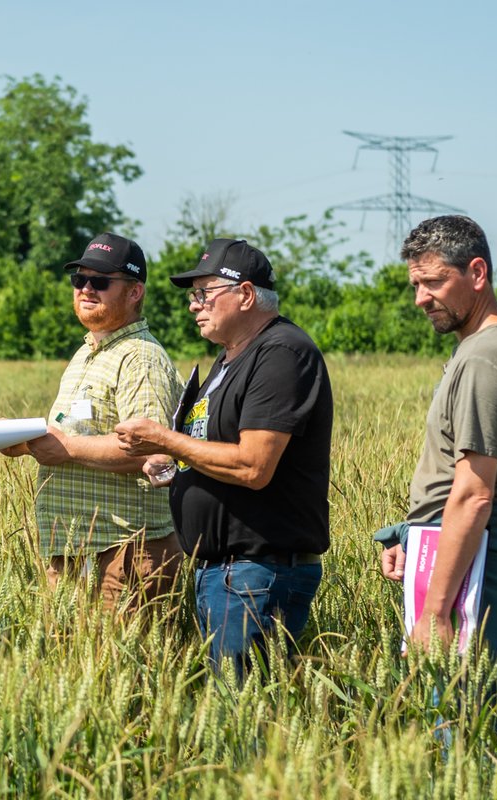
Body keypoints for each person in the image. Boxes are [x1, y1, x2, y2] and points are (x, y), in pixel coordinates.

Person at [115, 238, 333, 674]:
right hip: (227, 573)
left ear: (246, 295)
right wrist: (177, 466)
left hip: (257, 572)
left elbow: (253, 466)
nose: (194, 306)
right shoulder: (231, 357)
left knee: (245, 715)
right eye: (192, 296)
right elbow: (216, 446)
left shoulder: (281, 354)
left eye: (203, 294)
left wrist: (164, 439)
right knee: (232, 711)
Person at [373, 215, 497, 697]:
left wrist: (436, 612)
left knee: (469, 736)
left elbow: (475, 495)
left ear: (477, 273)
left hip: (480, 573)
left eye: (435, 281)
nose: (421, 298)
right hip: (470, 558)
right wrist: (413, 536)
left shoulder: (485, 358)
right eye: (416, 284)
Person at [0, 232, 184, 611]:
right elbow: (69, 431)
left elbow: (152, 450)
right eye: (79, 280)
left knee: (124, 667)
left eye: (100, 281)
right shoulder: (86, 353)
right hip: (73, 550)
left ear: (135, 292)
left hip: (125, 550)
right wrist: (24, 441)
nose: (86, 289)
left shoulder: (141, 358)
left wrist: (64, 448)